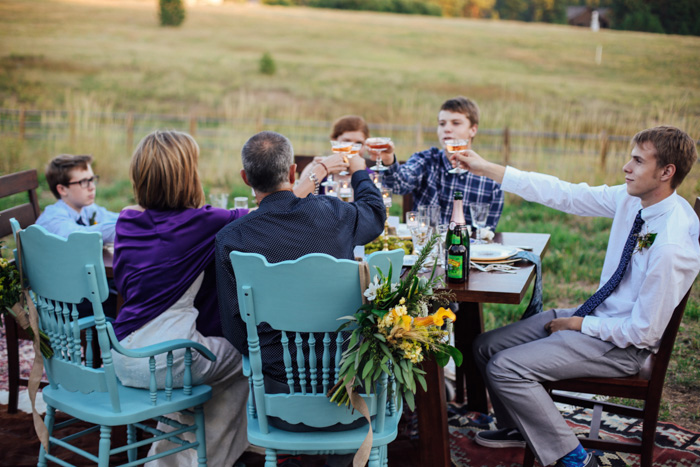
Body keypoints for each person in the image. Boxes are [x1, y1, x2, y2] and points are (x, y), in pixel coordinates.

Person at [454, 125, 700, 467]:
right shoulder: (633, 200)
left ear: (666, 172)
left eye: (638, 161)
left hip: (623, 345)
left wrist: (579, 325)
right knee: (485, 346)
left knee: (504, 367)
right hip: (600, 317)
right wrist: (487, 168)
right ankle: (519, 427)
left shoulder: (671, 245)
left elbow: (644, 333)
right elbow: (564, 193)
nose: (626, 167)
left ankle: (575, 458)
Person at [215, 131, 385, 467]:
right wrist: (358, 170)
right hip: (353, 396)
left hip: (277, 404)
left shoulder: (231, 239)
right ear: (293, 172)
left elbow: (235, 332)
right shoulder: (333, 215)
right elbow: (374, 212)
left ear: (245, 178)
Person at [111, 130, 249, 467]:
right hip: (166, 359)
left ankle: (168, 460)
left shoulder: (127, 220)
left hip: (122, 352)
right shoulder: (201, 222)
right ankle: (206, 461)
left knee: (200, 367)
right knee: (246, 359)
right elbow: (267, 217)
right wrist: (311, 177)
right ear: (189, 176)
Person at [368, 96, 504, 228]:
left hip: (465, 249)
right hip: (425, 248)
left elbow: (486, 234)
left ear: (473, 130)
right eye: (442, 123)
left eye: (456, 123)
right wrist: (388, 160)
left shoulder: (491, 182)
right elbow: (399, 185)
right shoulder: (426, 160)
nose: (447, 129)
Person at [37, 154, 119, 242]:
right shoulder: (53, 218)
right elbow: (78, 237)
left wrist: (131, 217)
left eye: (91, 179)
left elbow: (109, 216)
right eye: (83, 182)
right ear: (62, 189)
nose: (92, 187)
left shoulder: (86, 209)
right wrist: (120, 227)